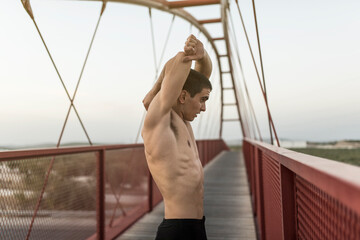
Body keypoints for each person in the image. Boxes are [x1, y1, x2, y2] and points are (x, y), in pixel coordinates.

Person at [141, 34, 212, 240]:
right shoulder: (160, 120)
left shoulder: (183, 121)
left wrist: (203, 55)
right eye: (202, 100)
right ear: (182, 97)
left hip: (197, 227)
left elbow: (201, 77)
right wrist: (188, 53)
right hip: (178, 230)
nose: (204, 107)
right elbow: (181, 61)